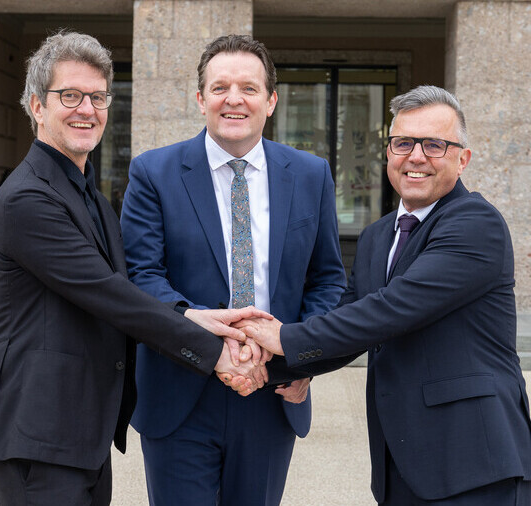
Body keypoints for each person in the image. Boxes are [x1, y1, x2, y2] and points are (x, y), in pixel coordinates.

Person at [0, 31, 266, 506]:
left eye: (97, 97)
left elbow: (120, 288)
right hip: (39, 435)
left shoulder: (85, 191)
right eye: (69, 96)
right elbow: (108, 297)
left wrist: (193, 316)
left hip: (80, 433)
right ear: (36, 105)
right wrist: (213, 352)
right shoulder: (28, 198)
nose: (86, 109)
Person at [237, 85, 531, 505]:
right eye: (403, 143)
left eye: (434, 144)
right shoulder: (378, 236)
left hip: (474, 463)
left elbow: (394, 308)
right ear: (388, 152)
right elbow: (354, 315)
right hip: (401, 463)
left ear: (463, 158)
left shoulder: (476, 223)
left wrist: (284, 339)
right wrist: (281, 369)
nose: (415, 156)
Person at [119, 34, 346, 506]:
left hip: (273, 389)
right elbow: (142, 277)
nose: (234, 99)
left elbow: (327, 279)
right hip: (180, 390)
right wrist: (214, 347)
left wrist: (301, 357)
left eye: (249, 87)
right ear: (201, 99)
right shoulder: (152, 173)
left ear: (271, 100)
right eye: (220, 87)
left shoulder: (310, 174)